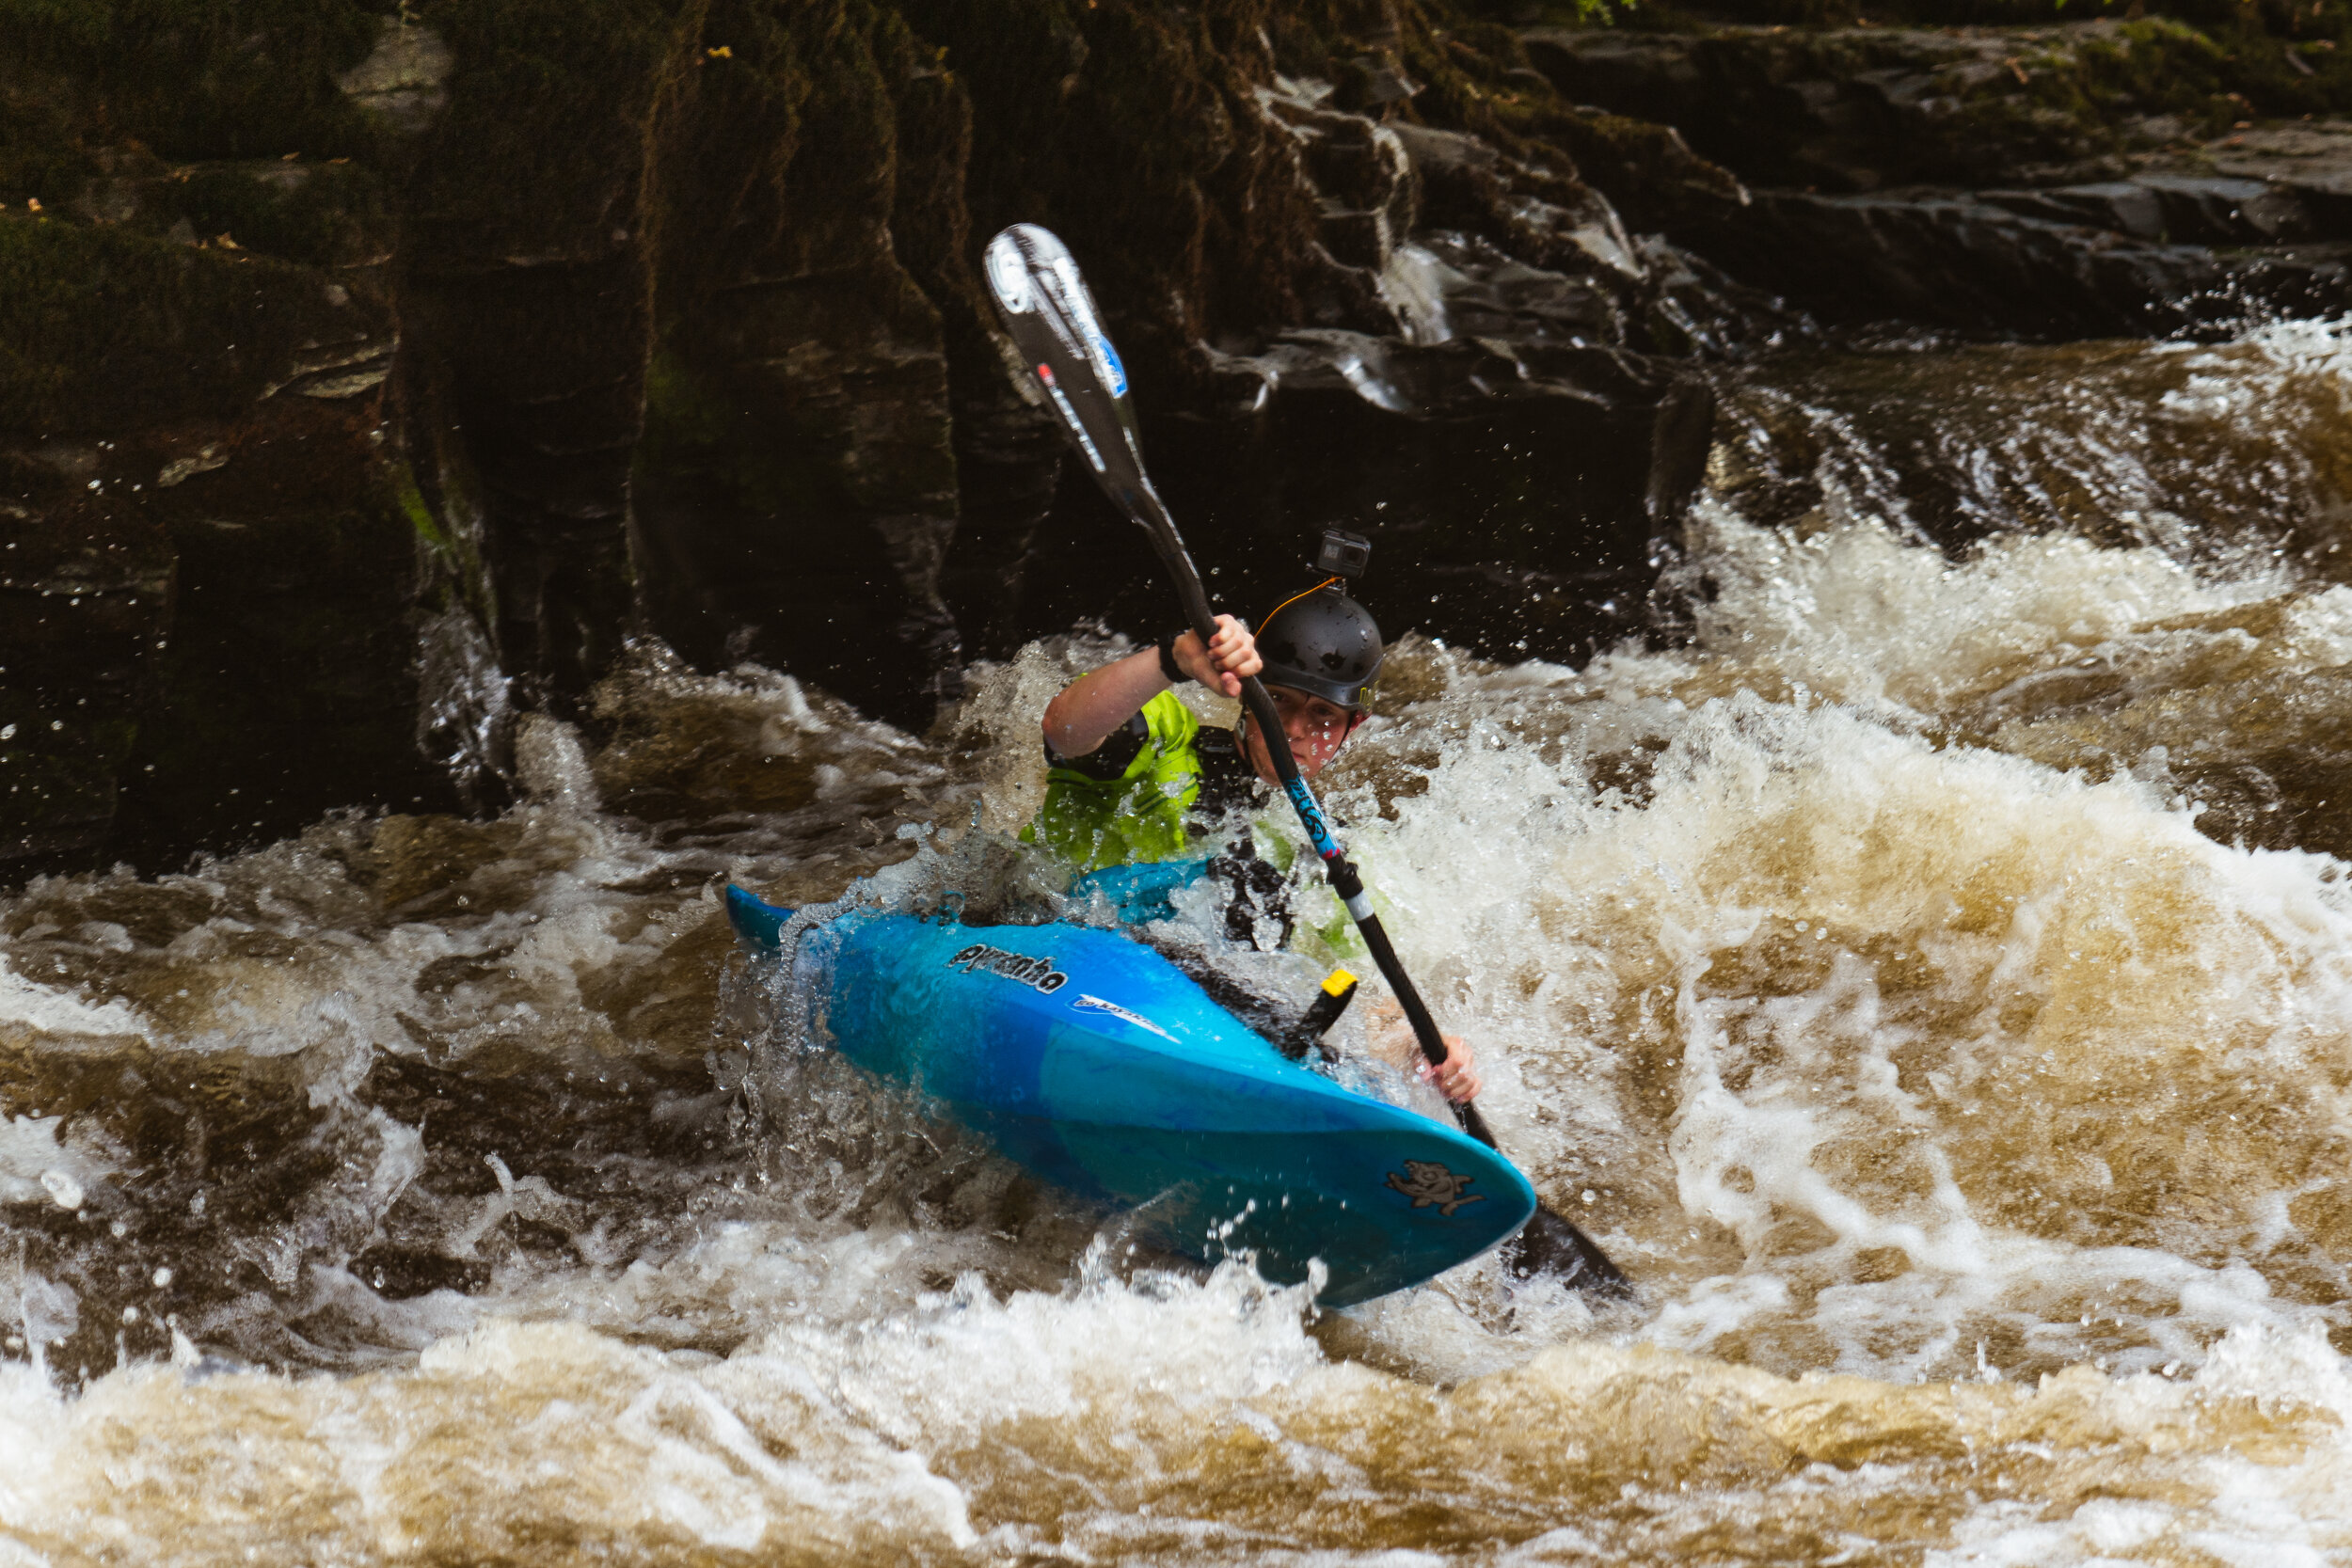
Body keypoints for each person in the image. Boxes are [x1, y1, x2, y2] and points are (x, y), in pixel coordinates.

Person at [1034, 583, 1482, 1102]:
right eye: (1280, 700)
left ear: (1350, 729)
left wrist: (1419, 1046)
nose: (1292, 728)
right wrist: (1172, 658)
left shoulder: (1321, 853)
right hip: (1048, 945)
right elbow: (1063, 730)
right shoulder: (1162, 742)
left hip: (1174, 1010)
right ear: (1248, 695)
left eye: (1322, 717)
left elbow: (1354, 987)